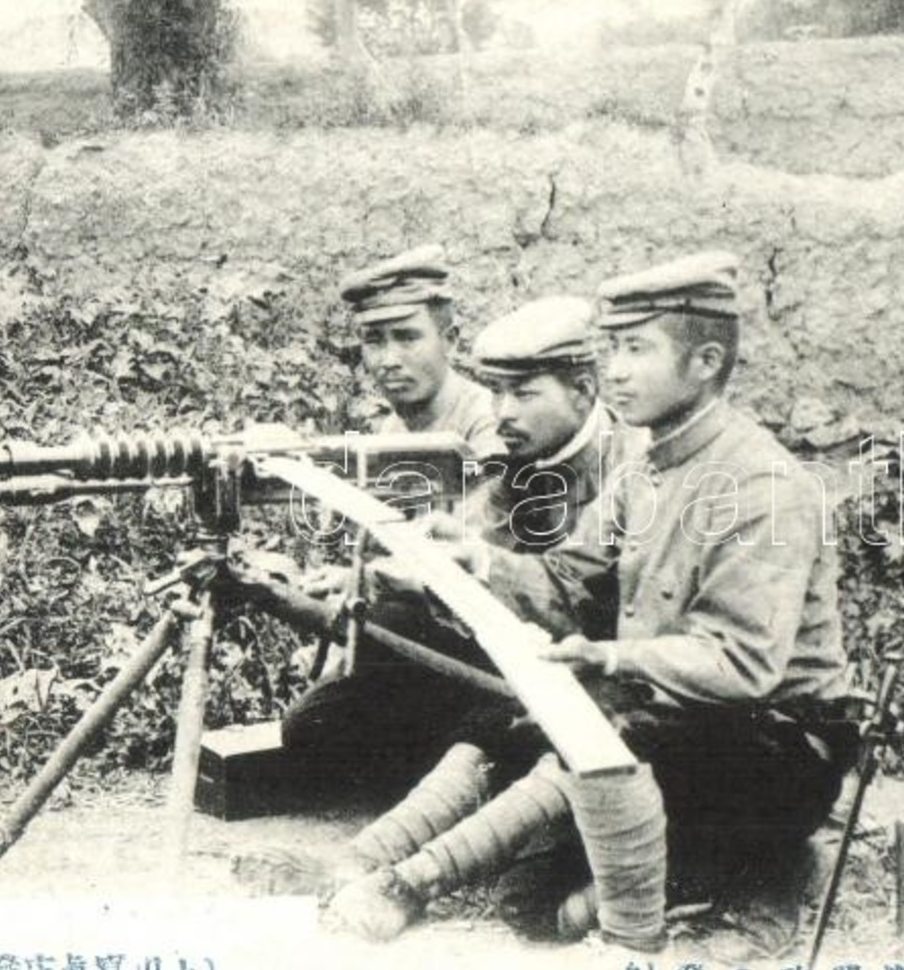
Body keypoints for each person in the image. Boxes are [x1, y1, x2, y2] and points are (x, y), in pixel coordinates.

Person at [324, 251, 859, 954]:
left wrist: (605, 655)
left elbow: (743, 663)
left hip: (777, 747)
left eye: (635, 349)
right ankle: (368, 856)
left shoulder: (759, 484)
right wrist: (478, 558)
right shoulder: (648, 465)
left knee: (605, 732)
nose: (615, 370)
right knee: (528, 894)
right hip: (680, 723)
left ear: (703, 362)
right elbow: (570, 581)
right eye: (609, 349)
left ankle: (407, 883)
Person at [233, 295, 639, 897]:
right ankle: (366, 861)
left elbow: (591, 591)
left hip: (616, 674)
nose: (503, 412)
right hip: (536, 655)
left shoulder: (630, 468)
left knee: (507, 727)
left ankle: (389, 866)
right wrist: (409, 566)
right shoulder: (530, 457)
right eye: (498, 393)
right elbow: (479, 534)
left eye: (524, 394)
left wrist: (477, 569)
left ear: (583, 390)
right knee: (331, 724)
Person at [344, 243, 503, 457]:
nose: (389, 360)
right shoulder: (393, 429)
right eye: (374, 341)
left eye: (407, 338)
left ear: (449, 341)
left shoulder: (488, 424)